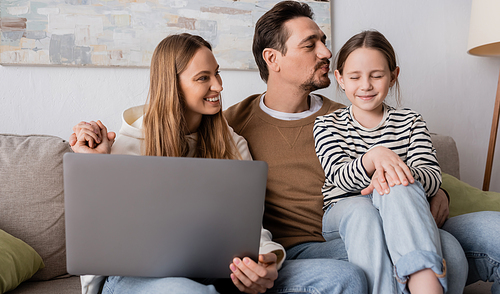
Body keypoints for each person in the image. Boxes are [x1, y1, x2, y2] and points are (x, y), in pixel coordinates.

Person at [69, 33, 368, 294]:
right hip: (138, 279)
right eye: (203, 78)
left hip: (220, 272)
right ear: (172, 85)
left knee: (346, 277)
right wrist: (94, 167)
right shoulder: (130, 142)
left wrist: (264, 262)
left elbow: (250, 226)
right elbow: (102, 236)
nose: (219, 86)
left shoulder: (232, 142)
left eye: (217, 73)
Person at [223, 0, 477, 294]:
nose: (326, 53)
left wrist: (437, 191)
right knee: (376, 223)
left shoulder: (347, 115)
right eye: (310, 45)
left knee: (452, 251)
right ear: (273, 58)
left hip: (359, 228)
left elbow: (390, 171)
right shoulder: (233, 124)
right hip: (294, 250)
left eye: (324, 41)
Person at [313, 30, 446, 293]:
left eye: (377, 75)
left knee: (397, 186)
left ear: (393, 76)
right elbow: (338, 176)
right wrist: (374, 157)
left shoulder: (411, 121)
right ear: (339, 79)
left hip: (400, 206)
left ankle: (424, 283)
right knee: (364, 210)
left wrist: (393, 173)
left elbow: (431, 177)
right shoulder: (327, 124)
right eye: (354, 77)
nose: (366, 85)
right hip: (344, 211)